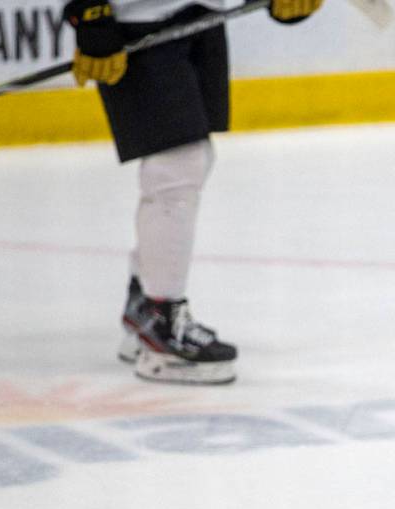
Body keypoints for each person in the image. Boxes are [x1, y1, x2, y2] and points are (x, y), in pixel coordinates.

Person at [62, 0, 323, 384]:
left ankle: (146, 303)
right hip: (137, 18)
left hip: (202, 14)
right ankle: (161, 317)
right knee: (178, 161)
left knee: (193, 159)